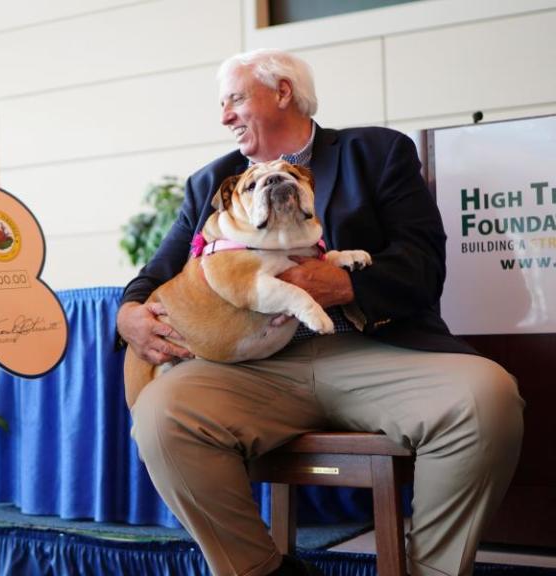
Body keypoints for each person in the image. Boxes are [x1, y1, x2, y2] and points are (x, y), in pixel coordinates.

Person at [117, 49, 524, 576]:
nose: (224, 117)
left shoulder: (375, 152)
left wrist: (343, 284)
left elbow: (424, 265)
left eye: (235, 99)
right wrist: (127, 314)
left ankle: (433, 569)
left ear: (282, 92)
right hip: (252, 370)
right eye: (223, 104)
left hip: (372, 348)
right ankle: (260, 569)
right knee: (160, 416)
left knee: (485, 398)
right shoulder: (209, 184)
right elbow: (153, 275)